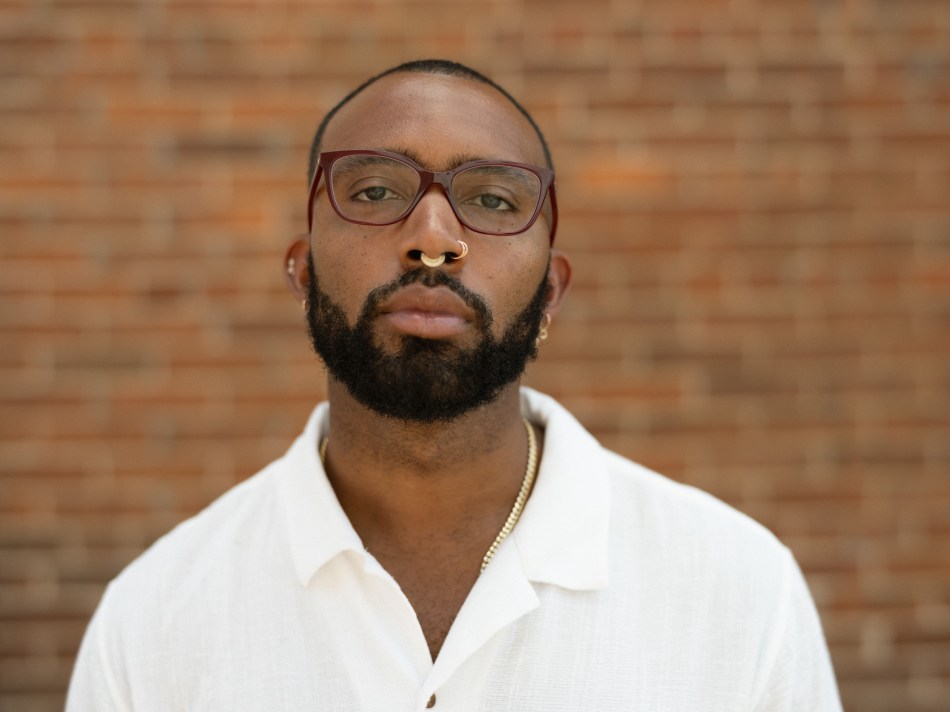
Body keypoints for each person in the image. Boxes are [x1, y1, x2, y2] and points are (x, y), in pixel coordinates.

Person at [67, 59, 842, 711]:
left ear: (550, 295)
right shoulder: (153, 621)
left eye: (493, 200)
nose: (433, 240)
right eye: (373, 192)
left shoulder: (738, 591)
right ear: (302, 274)